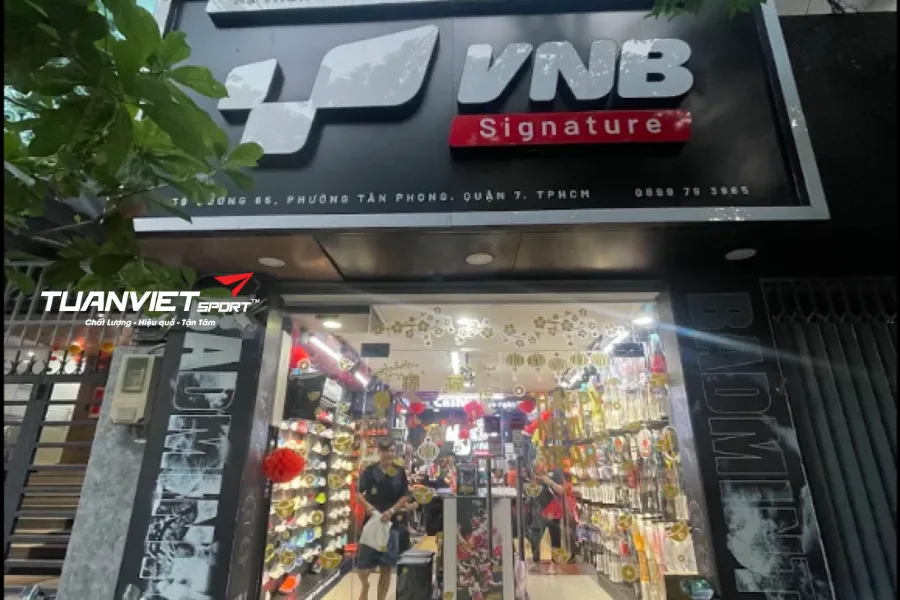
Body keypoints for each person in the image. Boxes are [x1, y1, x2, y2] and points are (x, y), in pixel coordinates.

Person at [356, 439, 410, 600]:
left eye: (392, 450)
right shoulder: (369, 471)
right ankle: (365, 586)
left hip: (391, 525)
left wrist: (392, 511)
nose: (389, 454)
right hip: (372, 523)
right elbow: (358, 493)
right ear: (379, 452)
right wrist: (368, 506)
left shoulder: (400, 472)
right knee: (363, 567)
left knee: (386, 567)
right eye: (386, 450)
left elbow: (404, 496)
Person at [530, 468, 576, 573]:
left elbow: (561, 490)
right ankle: (535, 561)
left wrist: (548, 481)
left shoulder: (556, 472)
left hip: (553, 511)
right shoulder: (535, 471)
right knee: (536, 536)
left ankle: (553, 564)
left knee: (555, 538)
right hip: (539, 510)